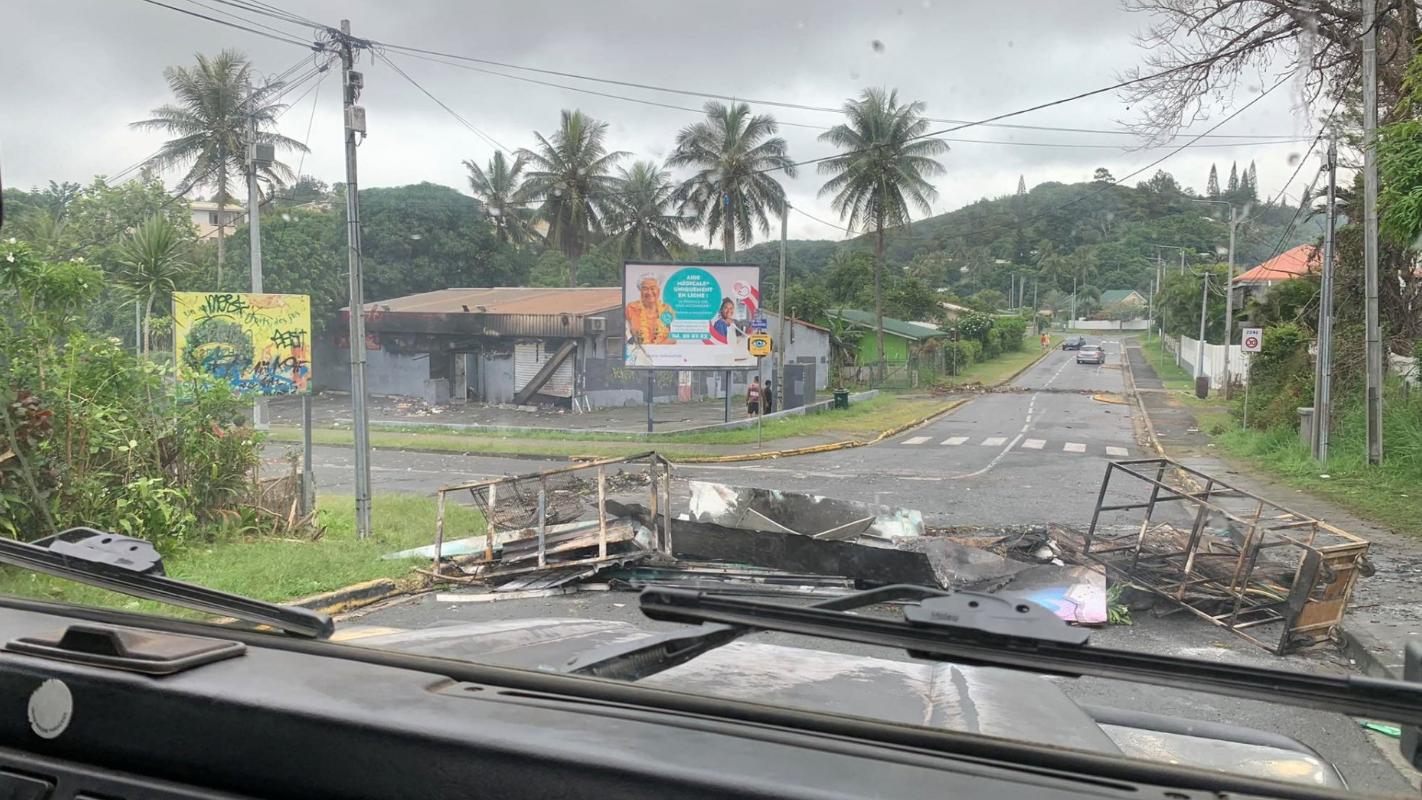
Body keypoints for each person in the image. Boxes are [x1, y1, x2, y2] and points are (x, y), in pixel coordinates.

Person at [626, 273, 674, 345]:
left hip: (663, 353)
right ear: (640, 291)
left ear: (658, 290)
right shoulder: (631, 308)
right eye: (645, 288)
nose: (649, 292)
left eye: (652, 288)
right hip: (639, 353)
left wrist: (655, 350)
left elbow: (673, 337)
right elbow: (625, 333)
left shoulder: (667, 309)